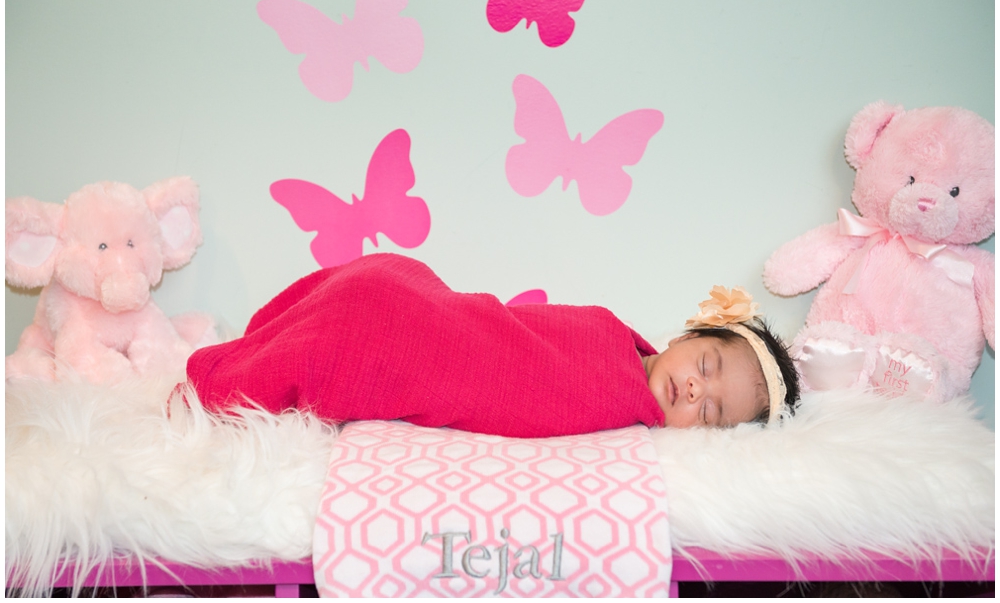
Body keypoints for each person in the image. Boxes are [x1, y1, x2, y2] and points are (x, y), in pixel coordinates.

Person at [185, 253, 799, 438]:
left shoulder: (622, 414)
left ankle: (242, 357)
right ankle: (224, 370)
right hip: (415, 312)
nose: (696, 388)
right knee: (347, 337)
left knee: (338, 346)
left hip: (395, 316)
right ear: (688, 336)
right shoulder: (607, 330)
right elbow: (511, 331)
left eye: (711, 409)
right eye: (709, 365)